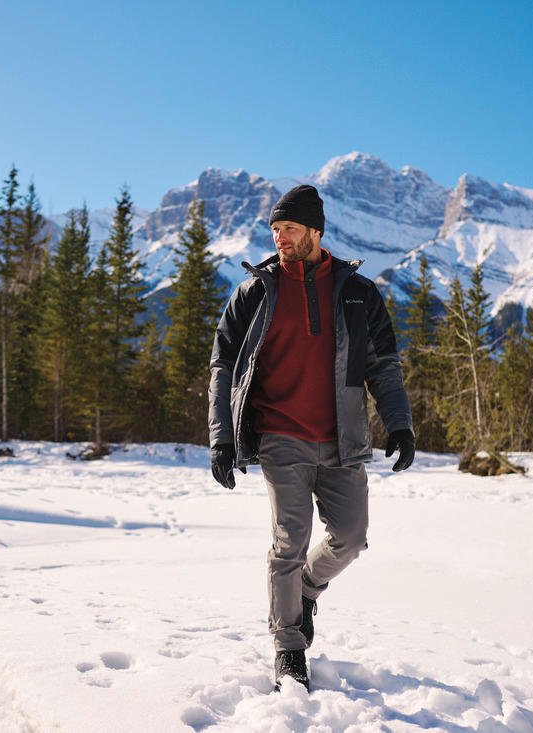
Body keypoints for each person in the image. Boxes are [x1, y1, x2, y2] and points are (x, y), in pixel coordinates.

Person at [207, 184, 415, 692]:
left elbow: (383, 366)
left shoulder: (359, 292)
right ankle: (288, 649)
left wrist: (400, 423)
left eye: (290, 229)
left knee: (351, 536)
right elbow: (222, 364)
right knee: (288, 542)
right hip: (280, 436)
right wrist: (221, 438)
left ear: (316, 232)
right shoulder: (256, 290)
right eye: (275, 230)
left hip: (343, 438)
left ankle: (306, 591)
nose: (280, 238)